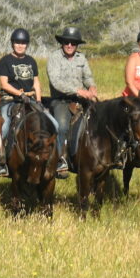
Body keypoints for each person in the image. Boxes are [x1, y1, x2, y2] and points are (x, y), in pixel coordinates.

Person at [0, 28, 59, 176]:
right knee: (4, 126)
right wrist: (20, 94)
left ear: (27, 45)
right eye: (17, 42)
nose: (20, 45)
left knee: (54, 124)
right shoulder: (5, 61)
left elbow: (36, 82)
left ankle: (56, 160)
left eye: (23, 43)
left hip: (30, 100)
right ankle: (0, 161)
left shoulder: (31, 61)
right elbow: (4, 84)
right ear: (12, 43)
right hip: (10, 100)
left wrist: (38, 100)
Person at [46, 26, 97, 177]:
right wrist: (78, 90)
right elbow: (56, 81)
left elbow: (87, 76)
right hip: (61, 100)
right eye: (66, 42)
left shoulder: (81, 58)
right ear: (62, 43)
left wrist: (92, 87)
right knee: (61, 126)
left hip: (81, 99)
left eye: (73, 43)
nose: (69, 45)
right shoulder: (54, 58)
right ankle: (60, 160)